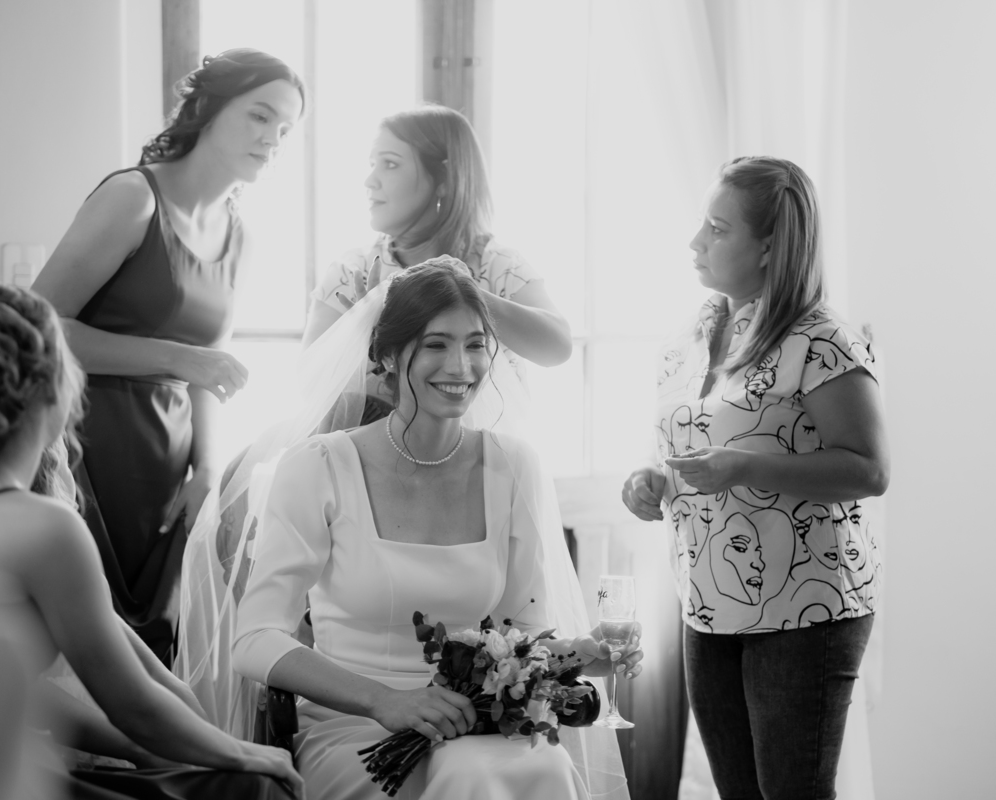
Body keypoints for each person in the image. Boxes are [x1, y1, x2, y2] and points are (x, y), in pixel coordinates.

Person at [0, 283, 303, 799]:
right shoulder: (39, 526)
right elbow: (131, 707)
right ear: (53, 391)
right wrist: (247, 753)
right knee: (255, 787)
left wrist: (189, 717)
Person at [232, 261, 641, 800]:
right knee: (477, 776)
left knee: (537, 768)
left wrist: (578, 655)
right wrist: (385, 701)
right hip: (359, 730)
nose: (461, 365)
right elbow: (255, 639)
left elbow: (524, 632)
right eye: (436, 345)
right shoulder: (318, 466)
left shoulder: (513, 465)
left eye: (476, 345)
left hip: (481, 726)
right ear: (386, 356)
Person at [621, 157, 889, 800]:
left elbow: (869, 469)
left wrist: (746, 468)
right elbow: (692, 442)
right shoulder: (692, 336)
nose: (696, 243)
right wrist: (648, 481)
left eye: (717, 229)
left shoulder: (822, 341)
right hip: (708, 605)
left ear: (771, 246)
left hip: (806, 609)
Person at [32, 48, 305, 665]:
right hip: (84, 454)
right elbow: (38, 325)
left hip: (168, 474)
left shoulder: (240, 237)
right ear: (208, 110)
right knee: (80, 642)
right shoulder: (133, 198)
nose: (273, 139)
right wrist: (179, 360)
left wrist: (207, 469)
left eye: (285, 130)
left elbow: (213, 368)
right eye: (260, 117)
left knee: (155, 652)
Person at [303, 104, 572, 406]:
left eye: (390, 164)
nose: (370, 180)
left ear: (444, 178)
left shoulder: (499, 266)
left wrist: (464, 292)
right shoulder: (353, 270)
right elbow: (310, 386)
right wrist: (368, 331)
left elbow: (558, 348)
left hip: (483, 451)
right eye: (372, 164)